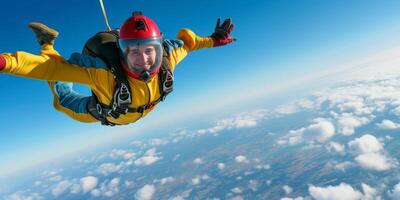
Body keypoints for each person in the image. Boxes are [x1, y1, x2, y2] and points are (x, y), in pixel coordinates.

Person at [0, 11, 236, 126]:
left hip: (123, 112)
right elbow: (47, 69)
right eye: (134, 52)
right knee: (63, 99)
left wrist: (214, 39)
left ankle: (47, 43)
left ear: (158, 48)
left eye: (149, 50)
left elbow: (189, 44)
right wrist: (5, 63)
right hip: (102, 111)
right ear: (123, 53)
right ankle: (47, 43)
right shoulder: (103, 72)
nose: (144, 59)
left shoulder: (168, 57)